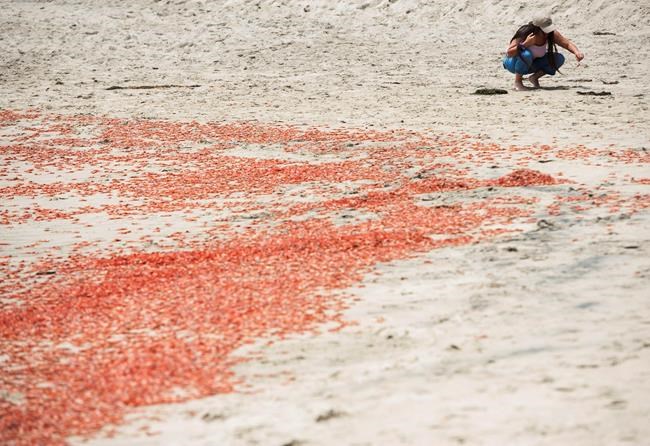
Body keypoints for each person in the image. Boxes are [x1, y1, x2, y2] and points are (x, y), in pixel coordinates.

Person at [503, 16, 584, 91]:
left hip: (531, 64)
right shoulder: (525, 33)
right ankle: (518, 82)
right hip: (512, 63)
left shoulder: (551, 33)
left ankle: (534, 78)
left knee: (558, 58)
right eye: (545, 30)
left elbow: (567, 43)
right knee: (526, 54)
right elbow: (509, 53)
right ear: (536, 28)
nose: (547, 33)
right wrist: (525, 44)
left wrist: (576, 52)